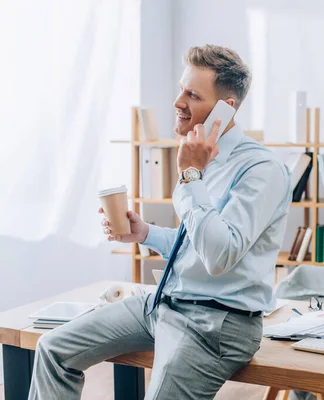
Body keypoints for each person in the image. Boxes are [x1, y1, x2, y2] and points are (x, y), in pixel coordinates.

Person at [28, 45, 292, 399]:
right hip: (163, 303)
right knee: (53, 349)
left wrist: (190, 175)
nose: (178, 101)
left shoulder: (261, 170)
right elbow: (195, 247)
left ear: (224, 109)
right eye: (181, 89)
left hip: (217, 324)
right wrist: (146, 233)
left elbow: (219, 255)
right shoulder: (200, 158)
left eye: (192, 94)